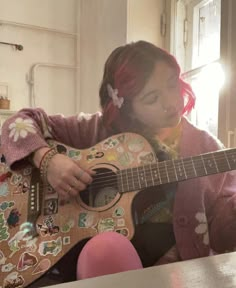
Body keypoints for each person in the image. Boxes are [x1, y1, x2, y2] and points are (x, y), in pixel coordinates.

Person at [2, 40, 236, 285]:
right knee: (105, 249)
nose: (171, 102)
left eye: (172, 84)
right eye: (152, 98)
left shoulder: (206, 148)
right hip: (93, 264)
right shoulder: (93, 130)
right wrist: (48, 159)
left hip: (171, 272)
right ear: (128, 108)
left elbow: (223, 237)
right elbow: (19, 122)